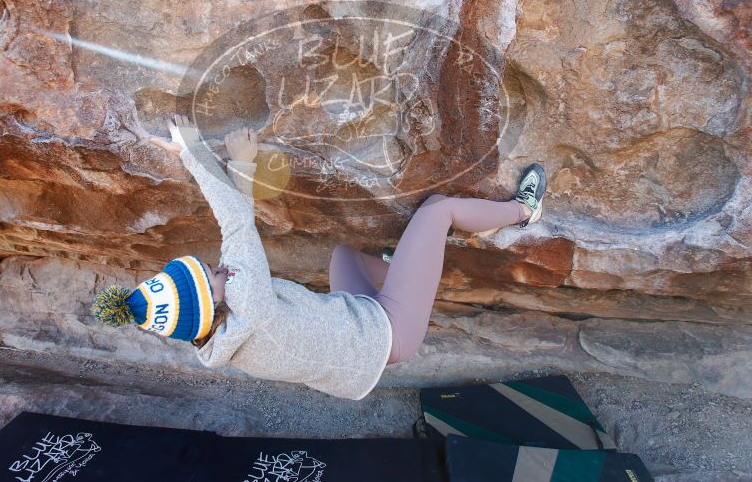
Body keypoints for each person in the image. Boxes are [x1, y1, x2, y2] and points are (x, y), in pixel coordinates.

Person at [92, 114, 547, 400]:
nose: (215, 268)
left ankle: (415, 264)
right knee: (437, 210)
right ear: (213, 306)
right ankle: (524, 211)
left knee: (344, 257)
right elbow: (235, 223)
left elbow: (237, 236)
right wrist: (206, 155)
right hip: (392, 331)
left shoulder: (216, 338)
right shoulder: (249, 303)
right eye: (209, 276)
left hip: (359, 329)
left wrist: (233, 166)